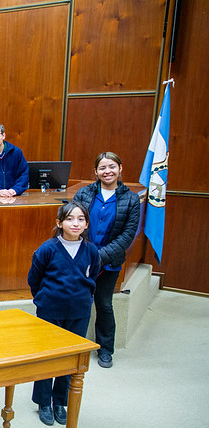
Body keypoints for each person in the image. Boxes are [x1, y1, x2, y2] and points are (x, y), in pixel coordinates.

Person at [27, 201, 101, 426]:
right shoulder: (47, 249)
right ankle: (44, 402)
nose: (75, 223)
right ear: (59, 223)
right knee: (48, 356)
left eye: (80, 219)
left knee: (69, 358)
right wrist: (45, 299)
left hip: (79, 312)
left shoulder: (91, 250)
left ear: (87, 224)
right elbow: (34, 279)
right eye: (69, 219)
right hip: (50, 310)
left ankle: (60, 401)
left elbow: (93, 275)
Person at [73, 152, 141, 368]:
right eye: (102, 168)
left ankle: (105, 349)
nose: (107, 171)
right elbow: (73, 222)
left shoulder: (131, 199)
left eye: (112, 166)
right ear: (95, 172)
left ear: (120, 169)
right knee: (78, 303)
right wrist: (87, 255)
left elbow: (127, 235)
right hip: (81, 259)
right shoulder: (84, 193)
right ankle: (73, 347)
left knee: (103, 304)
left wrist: (99, 258)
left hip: (109, 263)